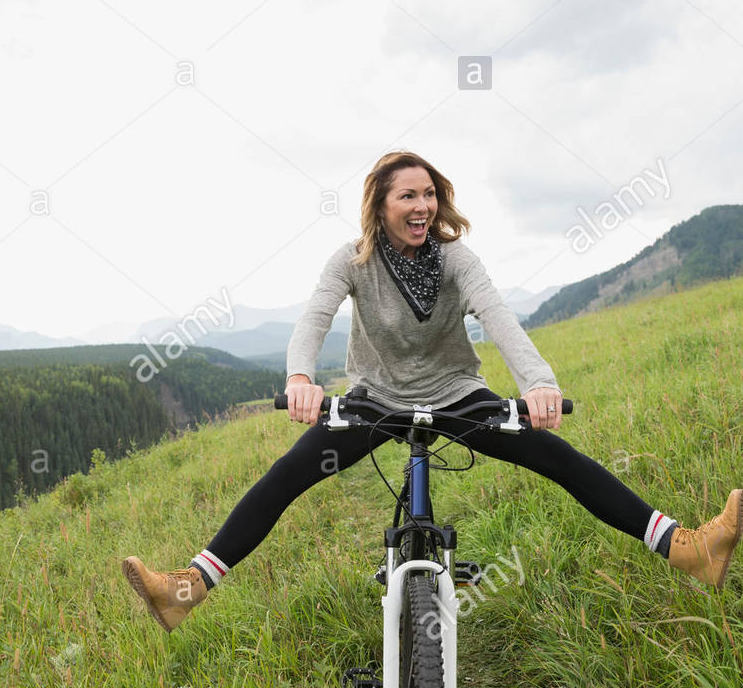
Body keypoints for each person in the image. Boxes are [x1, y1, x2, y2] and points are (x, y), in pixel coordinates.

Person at [121, 151, 742, 632]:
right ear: (380, 205)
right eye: (408, 195)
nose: (423, 205)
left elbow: (500, 318)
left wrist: (540, 383)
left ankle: (689, 550)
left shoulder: (456, 259)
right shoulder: (351, 260)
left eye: (430, 194)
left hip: (457, 393)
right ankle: (188, 590)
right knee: (288, 475)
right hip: (373, 398)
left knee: (559, 459)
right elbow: (313, 318)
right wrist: (301, 379)